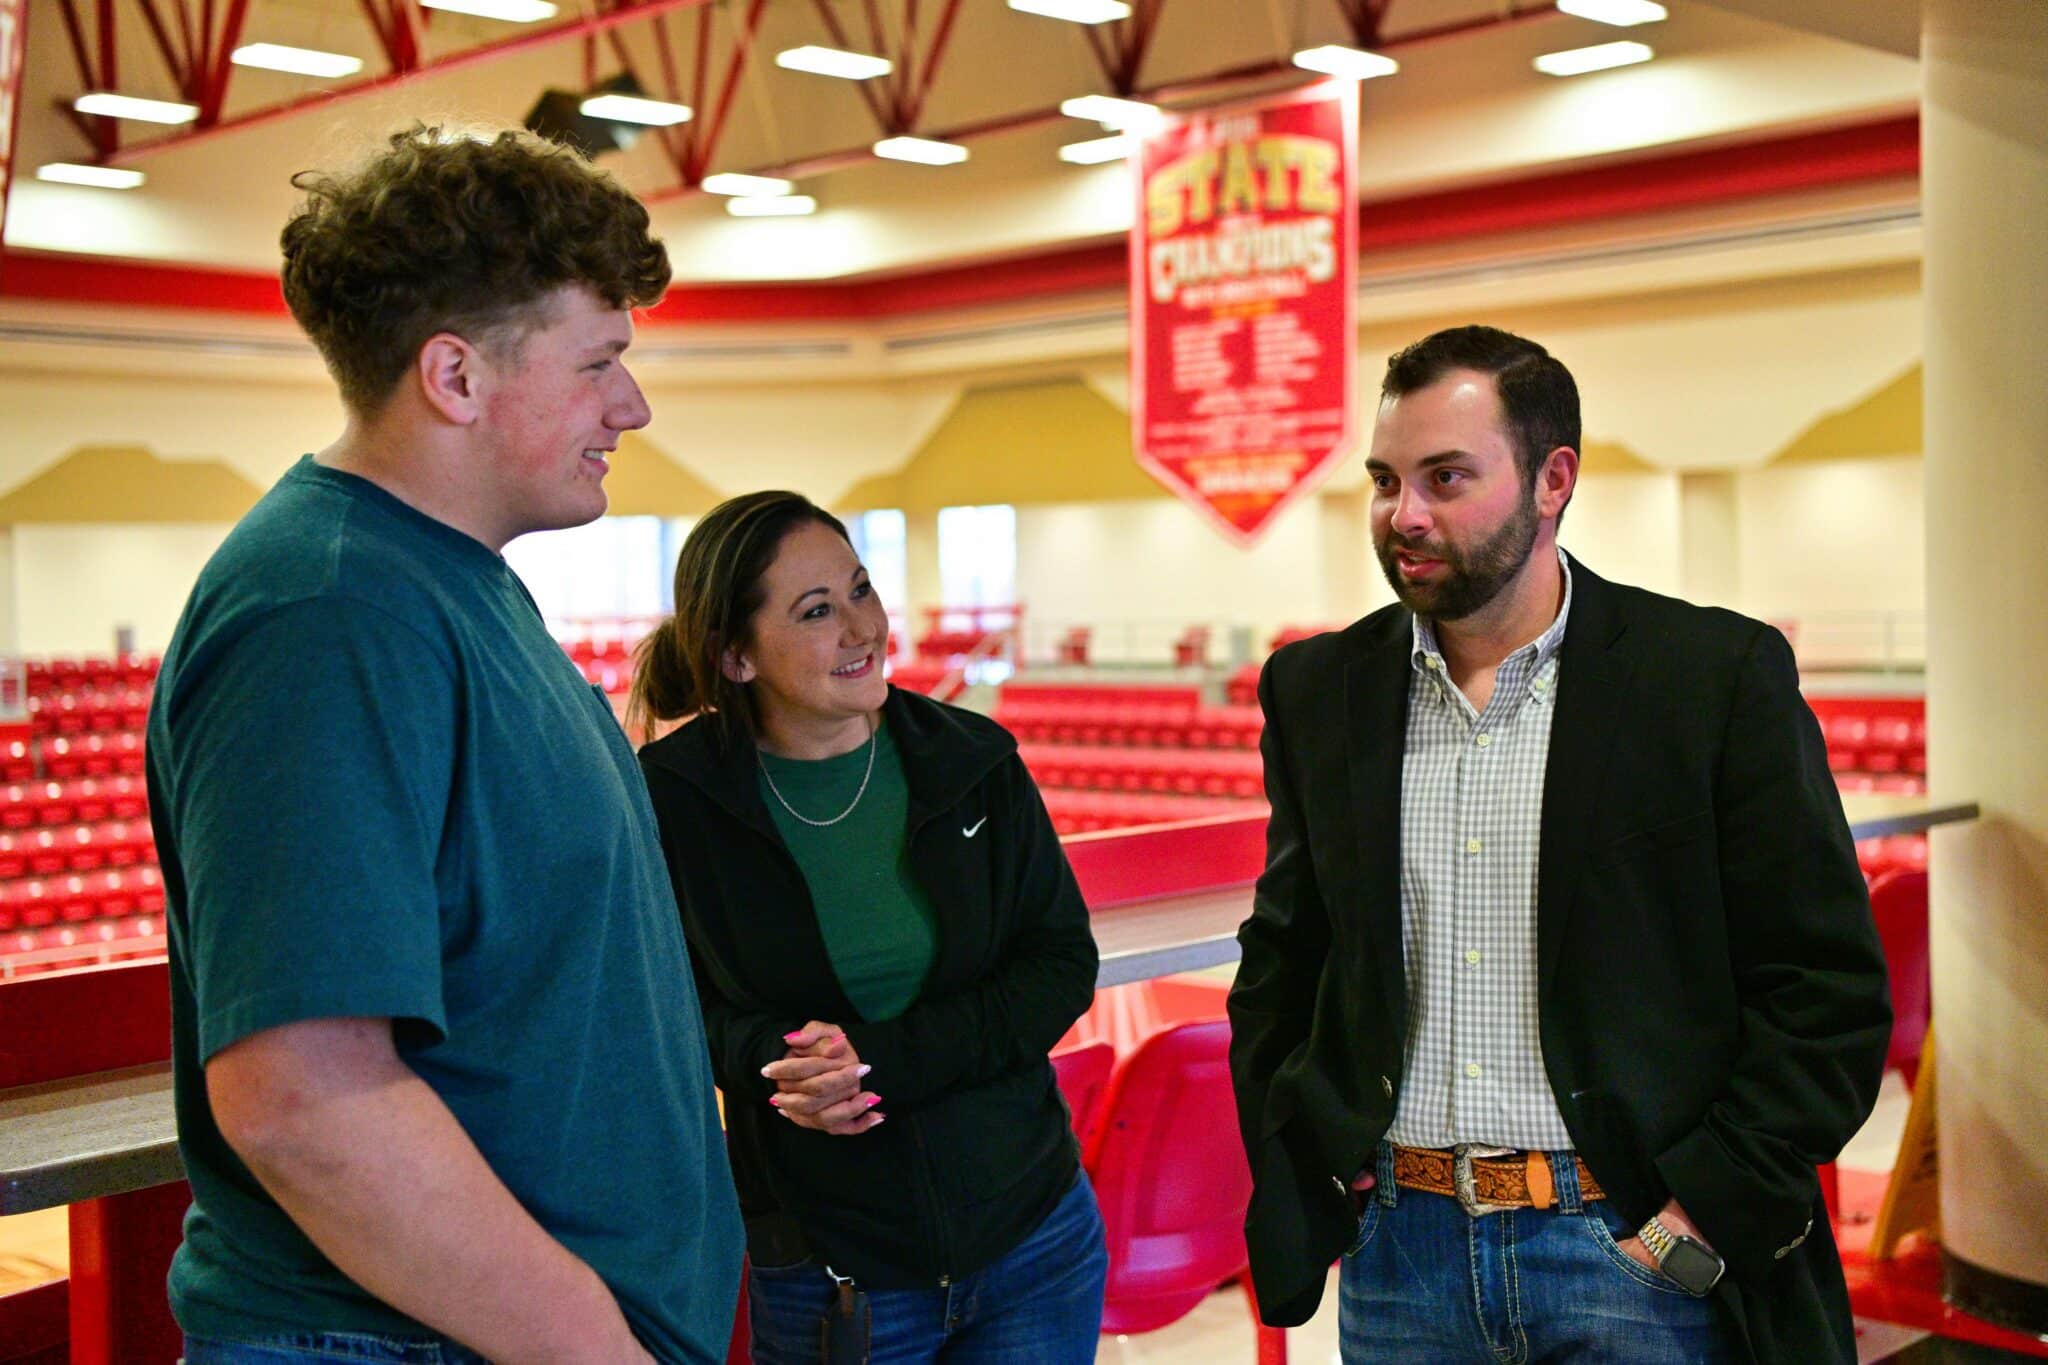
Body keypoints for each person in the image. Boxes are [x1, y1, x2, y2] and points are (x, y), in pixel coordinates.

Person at [146, 125, 743, 1364]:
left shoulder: (444, 583)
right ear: (455, 377)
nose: (630, 406)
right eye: (599, 363)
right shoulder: (327, 612)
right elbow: (306, 1100)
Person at [1227, 325, 1890, 1364]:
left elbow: (1823, 985)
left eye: (1445, 477)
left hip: (1628, 1253)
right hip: (1400, 1256)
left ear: (1552, 480)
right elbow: (1284, 959)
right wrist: (1303, 1152)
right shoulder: (1319, 691)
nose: (1404, 514)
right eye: (1385, 480)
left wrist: (1696, 1217)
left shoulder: (1708, 678)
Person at [630, 490, 1107, 1363]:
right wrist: (778, 1059)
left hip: (1033, 1241)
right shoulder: (670, 801)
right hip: (828, 1273)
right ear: (735, 655)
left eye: (861, 589)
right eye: (817, 610)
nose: (863, 627)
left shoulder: (974, 760)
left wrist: (882, 1061)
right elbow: (658, 1007)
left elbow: (1060, 965)